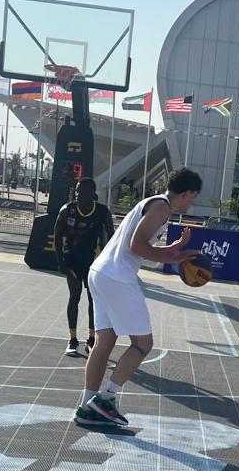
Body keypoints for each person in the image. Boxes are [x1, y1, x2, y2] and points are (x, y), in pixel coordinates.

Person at [75, 168, 201, 427]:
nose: (191, 202)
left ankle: (86, 406)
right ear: (187, 193)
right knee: (143, 343)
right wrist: (174, 258)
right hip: (118, 277)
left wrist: (172, 250)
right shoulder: (162, 207)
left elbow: (138, 245)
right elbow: (137, 246)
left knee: (104, 342)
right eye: (193, 197)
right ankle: (106, 398)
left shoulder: (153, 204)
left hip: (100, 272)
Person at [54, 177, 114, 357]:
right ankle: (72, 339)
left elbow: (112, 237)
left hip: (93, 263)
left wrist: (110, 262)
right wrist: (60, 262)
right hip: (72, 261)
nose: (78, 193)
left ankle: (91, 339)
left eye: (82, 190)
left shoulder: (102, 212)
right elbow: (57, 236)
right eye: (77, 190)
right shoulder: (67, 210)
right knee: (74, 297)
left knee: (93, 301)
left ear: (92, 193)